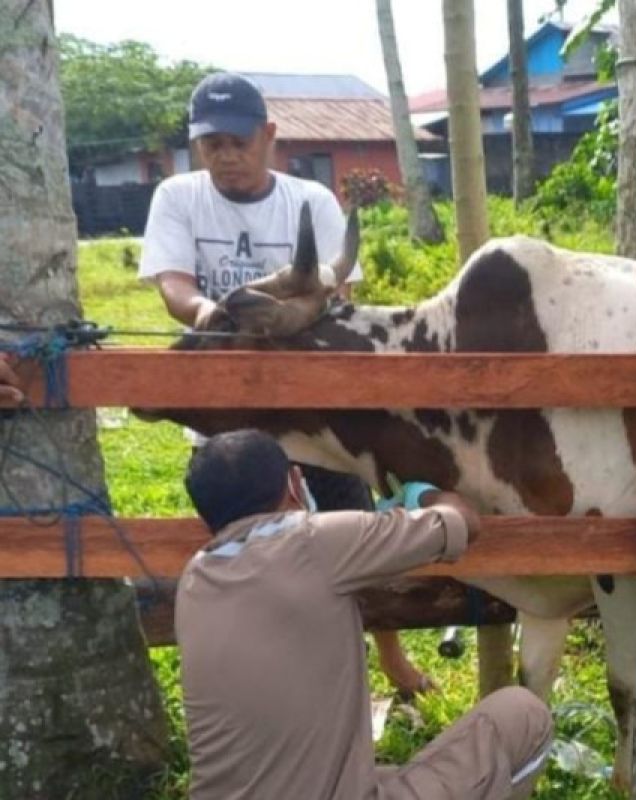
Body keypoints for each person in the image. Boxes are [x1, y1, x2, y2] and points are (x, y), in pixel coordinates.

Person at [137, 71, 432, 696]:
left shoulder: (313, 202)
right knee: (234, 535)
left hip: (312, 407)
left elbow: (328, 291)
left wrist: (280, 311)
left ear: (268, 135)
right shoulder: (178, 196)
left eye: (238, 140)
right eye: (211, 142)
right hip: (223, 406)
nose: (225, 155)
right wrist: (207, 313)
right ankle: (258, 661)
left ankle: (391, 654)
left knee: (353, 521)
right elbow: (171, 281)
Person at [178, 429, 553, 800]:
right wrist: (420, 494)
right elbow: (462, 521)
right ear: (295, 484)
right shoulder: (317, 543)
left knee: (379, 771)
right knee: (523, 715)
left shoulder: (194, 581)